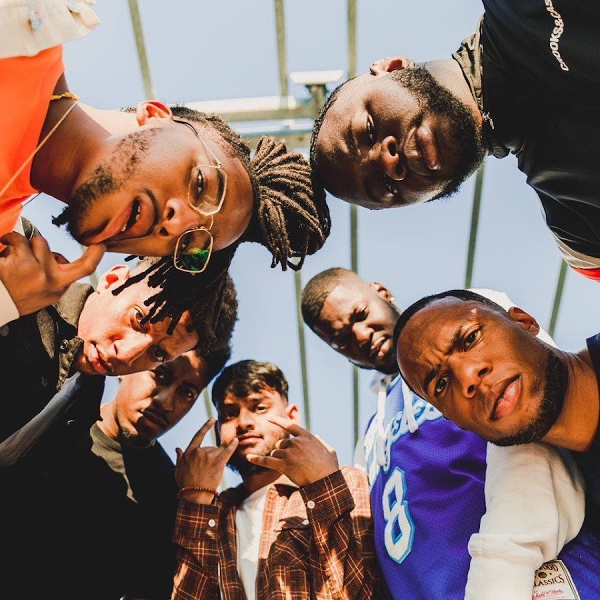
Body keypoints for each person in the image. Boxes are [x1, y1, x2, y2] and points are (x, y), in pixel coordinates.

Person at [0, 9, 330, 324]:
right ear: (156, 115)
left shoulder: (7, 248)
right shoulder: (26, 32)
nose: (175, 226)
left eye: (187, 247)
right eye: (200, 184)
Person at [301, 267, 599, 599]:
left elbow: (533, 444)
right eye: (342, 340)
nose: (360, 335)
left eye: (360, 314)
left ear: (382, 292)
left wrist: (500, 580)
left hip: (531, 580)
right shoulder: (369, 440)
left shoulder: (463, 313)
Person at [310, 1, 600, 282]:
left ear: (393, 67)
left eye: (368, 129)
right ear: (425, 199)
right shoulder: (581, 233)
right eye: (384, 186)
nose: (389, 162)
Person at [0, 218, 238, 465]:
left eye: (158, 354)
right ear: (112, 280)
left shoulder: (82, 409)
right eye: (139, 319)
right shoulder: (20, 251)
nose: (126, 354)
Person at [1, 346, 230, 600]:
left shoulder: (168, 494)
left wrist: (196, 499)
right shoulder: (51, 415)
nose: (166, 402)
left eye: (187, 392)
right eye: (161, 375)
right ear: (131, 365)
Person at [171, 359, 384, 599]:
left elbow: (362, 593)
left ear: (291, 415)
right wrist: (195, 500)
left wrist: (323, 487)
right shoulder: (214, 513)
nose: (244, 422)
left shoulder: (343, 481)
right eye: (230, 414)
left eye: (260, 407)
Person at [394, 288, 600, 519]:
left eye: (470, 338)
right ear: (453, 419)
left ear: (525, 321)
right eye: (441, 384)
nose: (468, 377)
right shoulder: (583, 511)